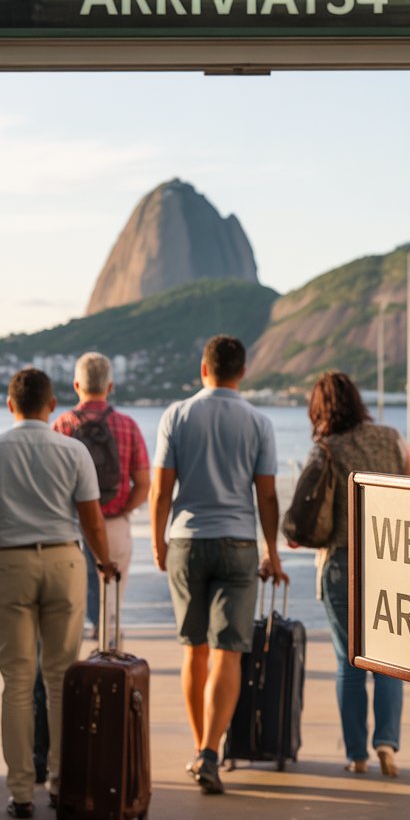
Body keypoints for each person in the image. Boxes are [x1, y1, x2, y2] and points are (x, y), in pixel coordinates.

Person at [0, 368, 117, 819]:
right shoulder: (73, 450)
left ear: (10, 405)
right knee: (60, 678)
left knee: (16, 681)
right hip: (63, 561)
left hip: (11, 562)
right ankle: (59, 782)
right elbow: (91, 520)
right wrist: (105, 563)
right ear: (52, 405)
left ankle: (20, 793)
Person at [150, 335, 285, 795]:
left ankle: (199, 747)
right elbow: (266, 494)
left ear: (202, 369)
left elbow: (160, 490)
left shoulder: (177, 414)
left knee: (194, 649)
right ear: (242, 373)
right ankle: (211, 750)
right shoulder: (258, 422)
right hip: (238, 543)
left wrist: (158, 542)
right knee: (228, 650)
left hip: (187, 541)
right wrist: (273, 549)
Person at [301, 371, 410, 776]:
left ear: (319, 409)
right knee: (389, 659)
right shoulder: (389, 438)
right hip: (390, 561)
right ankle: (386, 743)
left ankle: (356, 755)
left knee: (347, 662)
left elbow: (305, 512)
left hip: (340, 564)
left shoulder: (325, 448)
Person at [52, 352, 150, 643]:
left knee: (71, 602)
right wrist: (122, 510)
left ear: (76, 385)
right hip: (114, 524)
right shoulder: (127, 425)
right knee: (112, 603)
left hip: (73, 525)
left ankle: (72, 665)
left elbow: (53, 483)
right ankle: (109, 659)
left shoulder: (62, 425)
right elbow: (144, 484)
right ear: (110, 387)